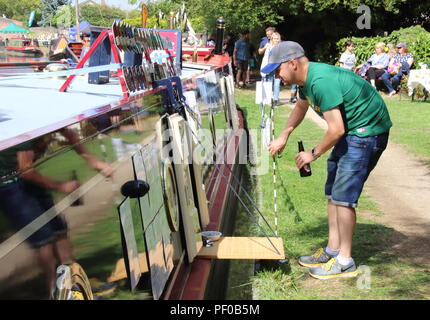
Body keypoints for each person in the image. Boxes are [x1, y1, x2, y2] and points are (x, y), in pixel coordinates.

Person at [263, 41, 392, 279]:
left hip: (367, 132)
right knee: (333, 192)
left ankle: (345, 261)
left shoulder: (320, 81)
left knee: (344, 198)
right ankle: (332, 250)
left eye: (277, 70)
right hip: (354, 130)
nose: (277, 77)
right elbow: (301, 107)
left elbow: (336, 130)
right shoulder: (306, 81)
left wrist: (312, 153)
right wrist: (284, 135)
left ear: (292, 63)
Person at [260, 32, 282, 104]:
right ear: (272, 39)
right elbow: (266, 59)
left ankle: (275, 99)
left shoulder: (281, 47)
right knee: (269, 83)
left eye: (277, 38)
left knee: (277, 84)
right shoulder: (268, 47)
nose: (276, 40)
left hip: (278, 68)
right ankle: (268, 99)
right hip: (270, 68)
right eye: (275, 38)